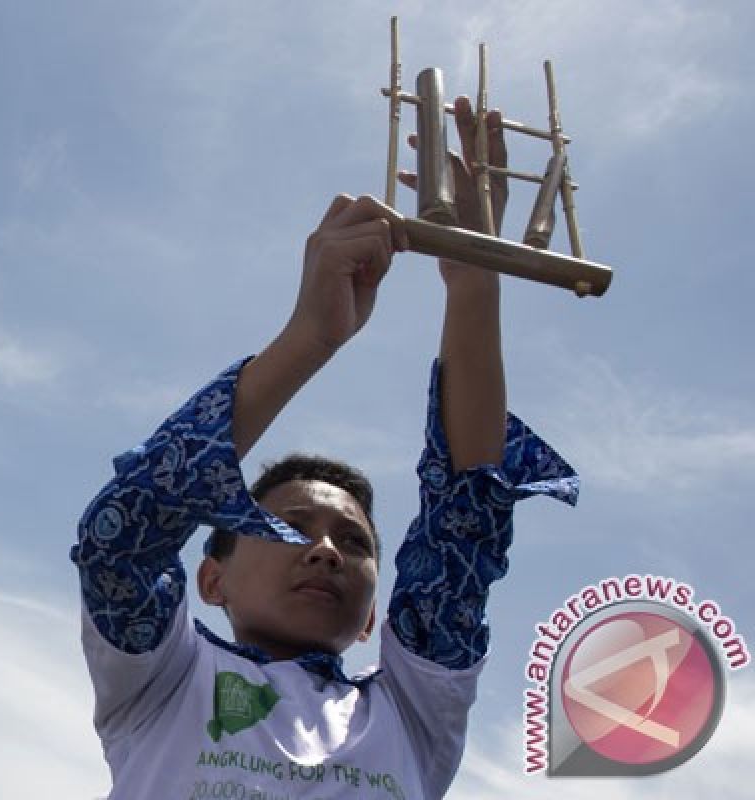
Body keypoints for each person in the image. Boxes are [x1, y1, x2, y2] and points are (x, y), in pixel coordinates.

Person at [71, 97, 580, 800]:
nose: (326, 551)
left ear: (374, 615)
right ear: (211, 581)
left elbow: (466, 523)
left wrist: (474, 280)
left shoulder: (409, 718)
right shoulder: (163, 680)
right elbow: (125, 535)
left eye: (355, 542)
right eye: (289, 527)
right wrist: (310, 337)